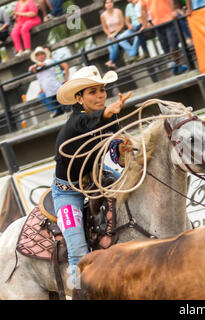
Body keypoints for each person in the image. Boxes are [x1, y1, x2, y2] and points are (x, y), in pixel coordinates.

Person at [53, 65, 133, 284]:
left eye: (102, 90)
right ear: (79, 99)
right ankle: (79, 290)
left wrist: (123, 152)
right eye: (93, 92)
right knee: (78, 250)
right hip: (67, 191)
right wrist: (109, 111)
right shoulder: (75, 122)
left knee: (136, 194)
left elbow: (116, 149)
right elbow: (91, 121)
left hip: (98, 175)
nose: (100, 96)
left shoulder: (108, 117)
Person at [141, 0, 188, 75]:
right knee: (166, 48)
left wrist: (172, 11)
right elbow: (143, 10)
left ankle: (177, 64)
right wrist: (144, 24)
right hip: (157, 24)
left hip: (169, 20)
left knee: (173, 45)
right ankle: (178, 65)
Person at [29, 46, 69, 118]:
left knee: (66, 106)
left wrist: (66, 79)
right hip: (49, 92)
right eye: (38, 55)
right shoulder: (37, 67)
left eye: (42, 54)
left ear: (45, 55)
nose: (40, 56)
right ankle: (57, 111)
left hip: (56, 88)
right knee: (58, 107)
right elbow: (36, 74)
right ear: (36, 57)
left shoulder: (49, 61)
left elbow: (42, 64)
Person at [100, 0, 138, 68]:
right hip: (110, 34)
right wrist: (109, 35)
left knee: (116, 43)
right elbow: (105, 28)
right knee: (110, 46)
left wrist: (115, 33)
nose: (109, 4)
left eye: (110, 2)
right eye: (107, 3)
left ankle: (111, 62)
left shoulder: (118, 11)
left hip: (120, 32)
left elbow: (122, 24)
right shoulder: (103, 15)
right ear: (105, 5)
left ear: (113, 3)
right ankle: (112, 63)